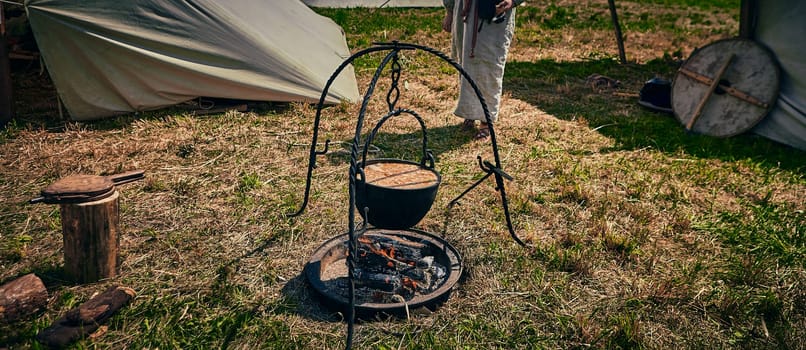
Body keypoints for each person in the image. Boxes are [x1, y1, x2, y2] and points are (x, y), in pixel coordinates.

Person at [442, 0, 523, 140]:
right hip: (465, 11)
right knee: (466, 63)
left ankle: (486, 120)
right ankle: (471, 112)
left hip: (494, 10)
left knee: (489, 64)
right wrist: (450, 11)